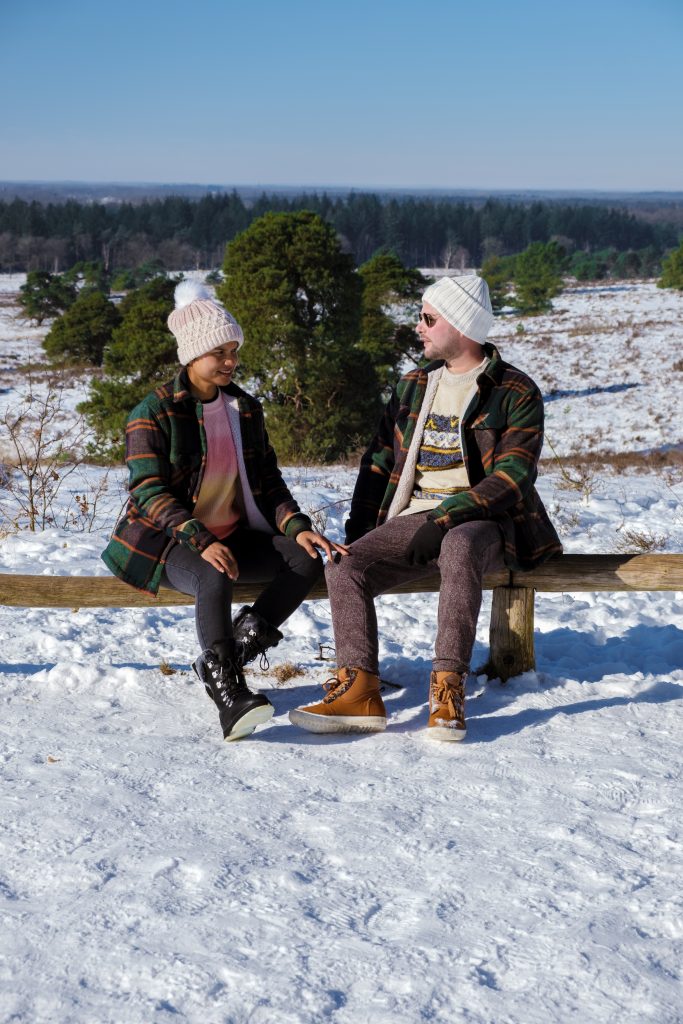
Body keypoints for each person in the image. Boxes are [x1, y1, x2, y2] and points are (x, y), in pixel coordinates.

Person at [289, 275, 562, 742]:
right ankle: (360, 690)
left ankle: (447, 689)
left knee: (458, 545)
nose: (419, 327)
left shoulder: (515, 390)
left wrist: (445, 517)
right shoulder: (414, 385)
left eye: (429, 318)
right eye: (421, 317)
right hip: (414, 517)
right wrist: (359, 529)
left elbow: (513, 476)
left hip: (488, 521)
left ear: (461, 325)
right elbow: (377, 461)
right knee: (344, 567)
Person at [103, 280, 346, 742]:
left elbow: (268, 481)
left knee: (305, 557)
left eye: (234, 351)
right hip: (168, 540)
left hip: (234, 532)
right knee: (216, 573)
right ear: (192, 354)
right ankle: (230, 695)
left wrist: (297, 527)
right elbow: (148, 492)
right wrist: (201, 539)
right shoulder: (153, 411)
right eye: (221, 352)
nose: (232, 362)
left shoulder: (244, 409)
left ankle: (226, 656)